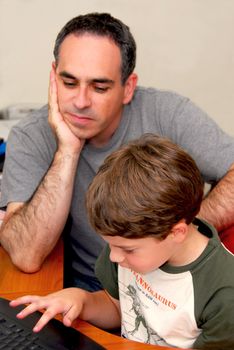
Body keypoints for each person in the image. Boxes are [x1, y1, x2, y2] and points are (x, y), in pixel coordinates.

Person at [0, 12, 234, 292]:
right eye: (69, 83)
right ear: (53, 77)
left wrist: (176, 234)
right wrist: (68, 150)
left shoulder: (169, 113)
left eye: (99, 87)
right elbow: (27, 256)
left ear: (128, 88)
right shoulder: (30, 135)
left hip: (176, 293)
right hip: (93, 296)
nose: (81, 102)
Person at [10, 134, 234, 349]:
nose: (114, 257)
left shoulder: (224, 295)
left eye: (128, 249)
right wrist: (81, 300)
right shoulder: (128, 244)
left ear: (176, 233)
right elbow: (118, 308)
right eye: (112, 245)